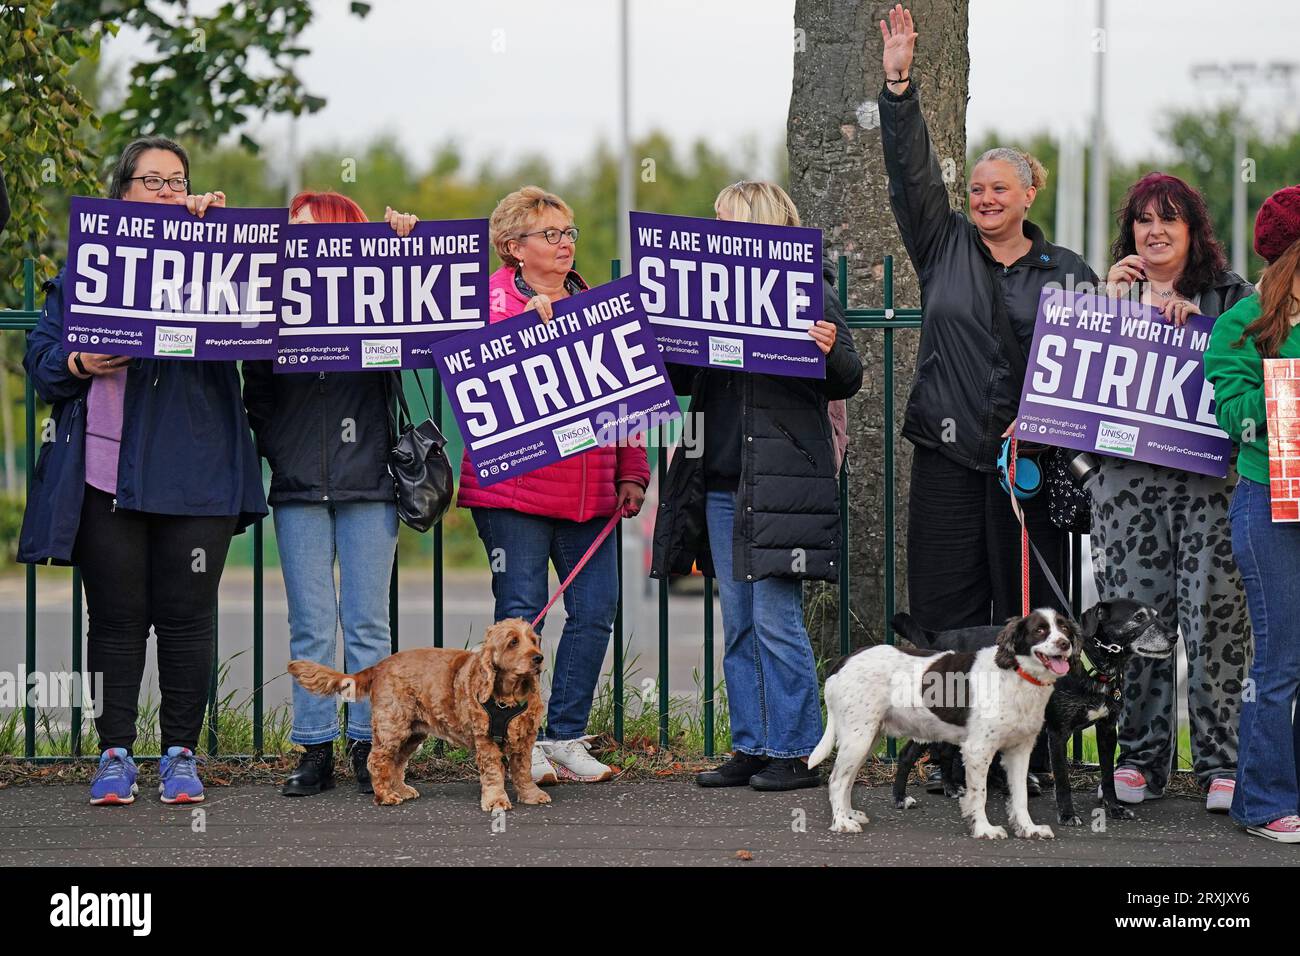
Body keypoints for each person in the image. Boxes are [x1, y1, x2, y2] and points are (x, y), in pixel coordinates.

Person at [878, 5, 1098, 791]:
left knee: (1027, 608)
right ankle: (944, 750)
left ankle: (1031, 757)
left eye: (999, 188)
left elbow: (1091, 370)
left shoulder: (1070, 273)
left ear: (1030, 191)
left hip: (1026, 469)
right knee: (945, 608)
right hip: (945, 453)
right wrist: (899, 90)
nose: (983, 198)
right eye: (975, 188)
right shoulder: (943, 247)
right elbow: (911, 178)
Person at [18, 136, 267, 805]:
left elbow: (273, 324)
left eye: (175, 181)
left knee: (188, 619)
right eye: (150, 180)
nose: (163, 192)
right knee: (117, 620)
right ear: (122, 190)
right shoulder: (88, 267)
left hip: (198, 476)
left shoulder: (219, 254)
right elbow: (40, 361)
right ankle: (115, 755)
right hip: (106, 477)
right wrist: (79, 363)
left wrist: (221, 238)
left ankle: (181, 755)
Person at [651, 181, 864, 791]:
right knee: (739, 622)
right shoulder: (702, 291)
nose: (711, 228)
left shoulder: (810, 288)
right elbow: (677, 376)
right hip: (718, 481)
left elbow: (847, 376)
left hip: (779, 481)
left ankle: (795, 749)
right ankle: (751, 744)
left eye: (721, 217)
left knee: (776, 619)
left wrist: (826, 351)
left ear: (752, 222)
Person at [456, 185, 650, 783]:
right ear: (513, 246)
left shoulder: (594, 302)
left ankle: (563, 734)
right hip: (513, 491)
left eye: (569, 233)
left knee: (595, 611)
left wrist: (632, 469)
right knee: (519, 616)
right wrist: (519, 326)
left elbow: (629, 394)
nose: (565, 244)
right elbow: (459, 359)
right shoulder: (483, 300)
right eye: (551, 234)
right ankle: (515, 744)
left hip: (590, 494)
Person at [242, 191, 417, 797]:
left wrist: (401, 249)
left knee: (368, 626)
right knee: (311, 627)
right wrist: (281, 448)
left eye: (310, 230)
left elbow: (430, 327)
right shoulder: (270, 305)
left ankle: (373, 745)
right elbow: (256, 391)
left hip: (368, 482)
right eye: (292, 230)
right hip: (297, 488)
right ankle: (315, 746)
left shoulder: (379, 296)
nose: (297, 240)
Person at [1092, 173, 1253, 813]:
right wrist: (1107, 307)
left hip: (1210, 485)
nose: (1154, 231)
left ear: (1193, 230)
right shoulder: (1106, 295)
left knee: (1215, 620)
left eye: (1169, 219)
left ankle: (1220, 762)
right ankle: (1140, 756)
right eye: (1142, 219)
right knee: (1138, 618)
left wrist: (1203, 329)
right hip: (1126, 487)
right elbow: (1069, 384)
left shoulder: (1231, 295)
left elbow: (1255, 366)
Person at [1203, 184, 1300, 844]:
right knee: (1281, 660)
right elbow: (1231, 412)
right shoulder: (1242, 323)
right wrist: (1280, 408)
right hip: (1270, 498)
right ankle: (1262, 801)